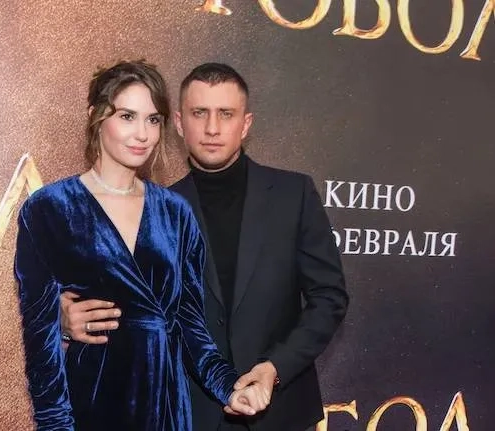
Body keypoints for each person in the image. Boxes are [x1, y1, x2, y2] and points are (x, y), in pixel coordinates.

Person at [60, 63, 349, 431]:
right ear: (180, 124)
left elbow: (329, 298)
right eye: (200, 113)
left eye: (226, 114)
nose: (212, 128)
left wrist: (274, 368)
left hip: (280, 413)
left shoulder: (294, 194)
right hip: (187, 414)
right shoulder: (152, 209)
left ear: (245, 123)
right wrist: (63, 320)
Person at [14, 60, 271, 431]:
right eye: (127, 116)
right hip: (91, 401)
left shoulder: (175, 212)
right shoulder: (49, 208)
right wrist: (55, 425)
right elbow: (40, 341)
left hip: (165, 405)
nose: (142, 134)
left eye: (153, 120)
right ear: (95, 116)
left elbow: (190, 326)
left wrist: (228, 388)